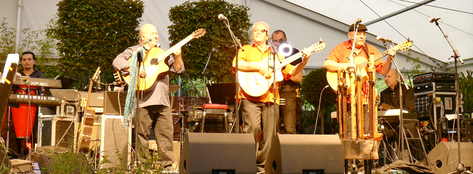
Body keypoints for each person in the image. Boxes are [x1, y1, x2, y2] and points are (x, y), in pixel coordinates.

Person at [233, 21, 311, 173]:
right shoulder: (245, 49)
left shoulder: (276, 55)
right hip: (250, 96)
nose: (257, 33)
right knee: (252, 129)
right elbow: (237, 64)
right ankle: (247, 164)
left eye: (261, 31)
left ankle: (262, 167)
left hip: (270, 98)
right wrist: (260, 67)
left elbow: (292, 72)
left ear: (267, 34)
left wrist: (305, 61)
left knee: (270, 135)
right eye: (255, 31)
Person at [113, 23, 183, 172]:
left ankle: (167, 167)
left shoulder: (162, 53)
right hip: (143, 100)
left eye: (157, 32)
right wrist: (136, 69)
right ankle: (142, 167)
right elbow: (117, 61)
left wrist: (178, 55)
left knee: (165, 135)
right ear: (143, 37)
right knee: (141, 135)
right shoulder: (133, 51)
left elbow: (178, 68)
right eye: (152, 33)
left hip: (163, 101)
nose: (156, 35)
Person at [323, 23, 396, 133]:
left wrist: (390, 58)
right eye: (359, 34)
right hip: (345, 98)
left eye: (363, 34)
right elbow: (327, 64)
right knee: (348, 133)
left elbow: (383, 71)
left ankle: (366, 150)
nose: (362, 36)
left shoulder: (370, 50)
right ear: (350, 35)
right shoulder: (341, 48)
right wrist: (347, 66)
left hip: (366, 99)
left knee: (367, 132)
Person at [272, 30, 302, 134]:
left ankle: (291, 149)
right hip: (271, 92)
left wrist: (283, 69)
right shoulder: (269, 53)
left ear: (286, 40)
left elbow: (298, 78)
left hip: (288, 92)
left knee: (290, 127)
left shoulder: (293, 52)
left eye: (280, 40)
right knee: (271, 127)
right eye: (274, 41)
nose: (277, 43)